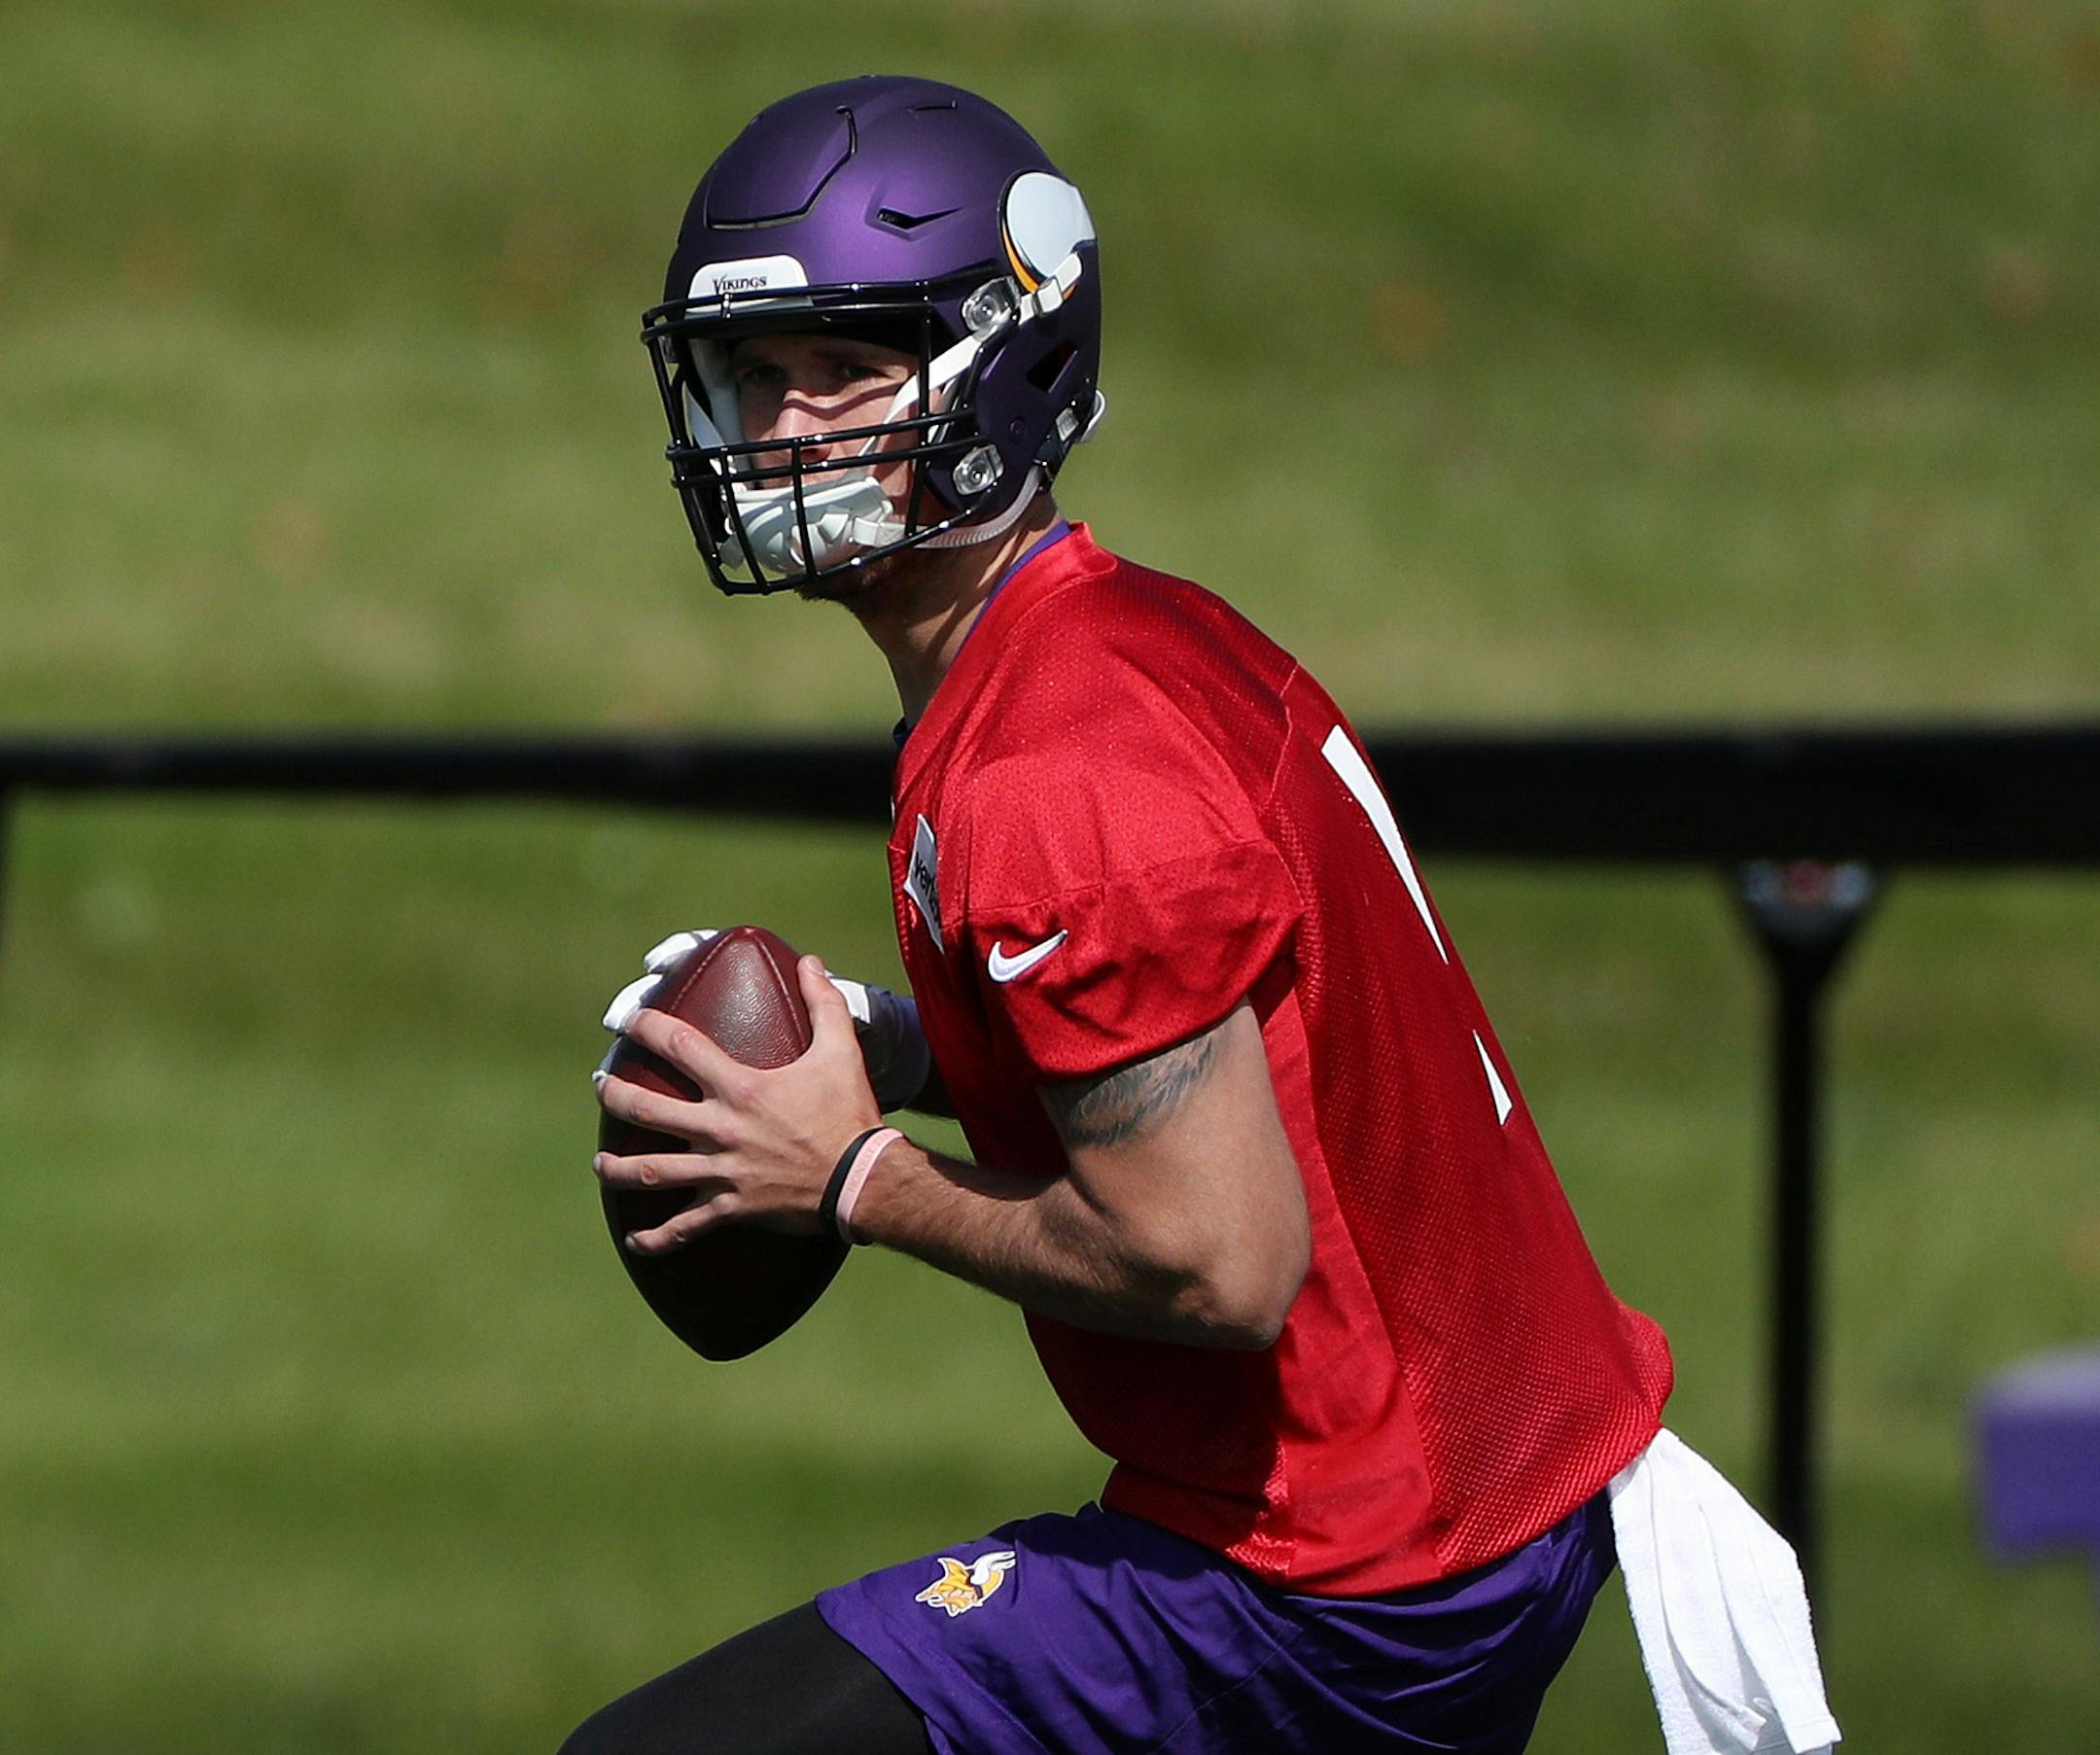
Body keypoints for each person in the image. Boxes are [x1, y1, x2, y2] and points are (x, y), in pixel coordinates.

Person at [566, 75, 1683, 1755]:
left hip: (1341, 1584)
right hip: (1482, 1496)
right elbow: (1214, 1042)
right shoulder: (1120, 639)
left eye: (847, 369)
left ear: (1001, 367)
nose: (785, 428)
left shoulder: (1052, 768)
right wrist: (900, 1041)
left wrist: (852, 1175)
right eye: (752, 378)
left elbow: (1216, 1259)